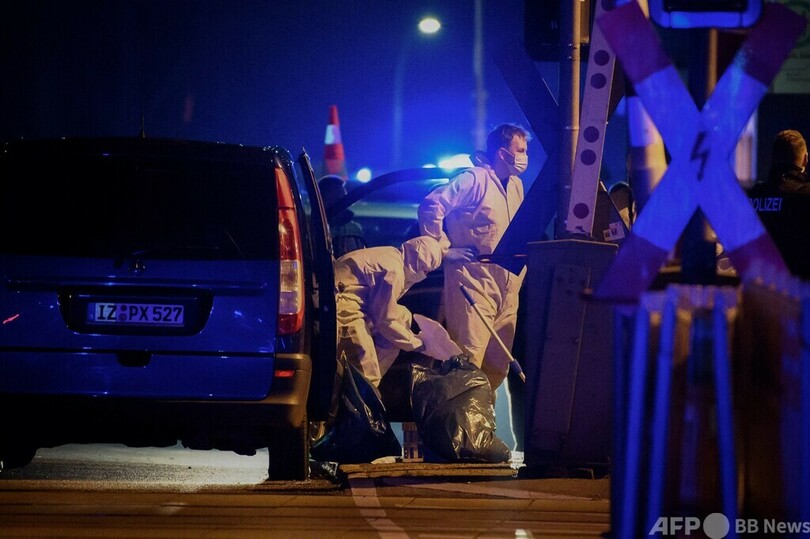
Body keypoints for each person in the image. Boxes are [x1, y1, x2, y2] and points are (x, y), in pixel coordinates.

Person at [417, 122, 531, 391]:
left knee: (497, 366)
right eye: (520, 150)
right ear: (502, 153)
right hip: (474, 284)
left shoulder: (516, 185)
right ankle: (459, 417)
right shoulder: (474, 179)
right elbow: (432, 205)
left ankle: (482, 416)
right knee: (467, 363)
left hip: (507, 289)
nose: (525, 157)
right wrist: (443, 250)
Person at [334, 235, 451, 388]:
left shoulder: (392, 256)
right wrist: (419, 344)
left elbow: (384, 311)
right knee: (366, 373)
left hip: (348, 300)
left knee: (403, 316)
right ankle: (364, 391)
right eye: (426, 271)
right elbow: (385, 320)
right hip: (344, 309)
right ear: (423, 266)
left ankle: (373, 374)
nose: (425, 275)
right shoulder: (393, 272)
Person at [748, 129, 810, 277]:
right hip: (799, 286)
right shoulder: (805, 194)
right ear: (805, 159)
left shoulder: (754, 195)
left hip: (760, 283)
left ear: (773, 159)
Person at [318, 174, 366, 257]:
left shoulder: (354, 229)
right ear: (322, 197)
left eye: (342, 195)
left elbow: (362, 258)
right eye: (338, 195)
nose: (343, 199)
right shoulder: (313, 229)